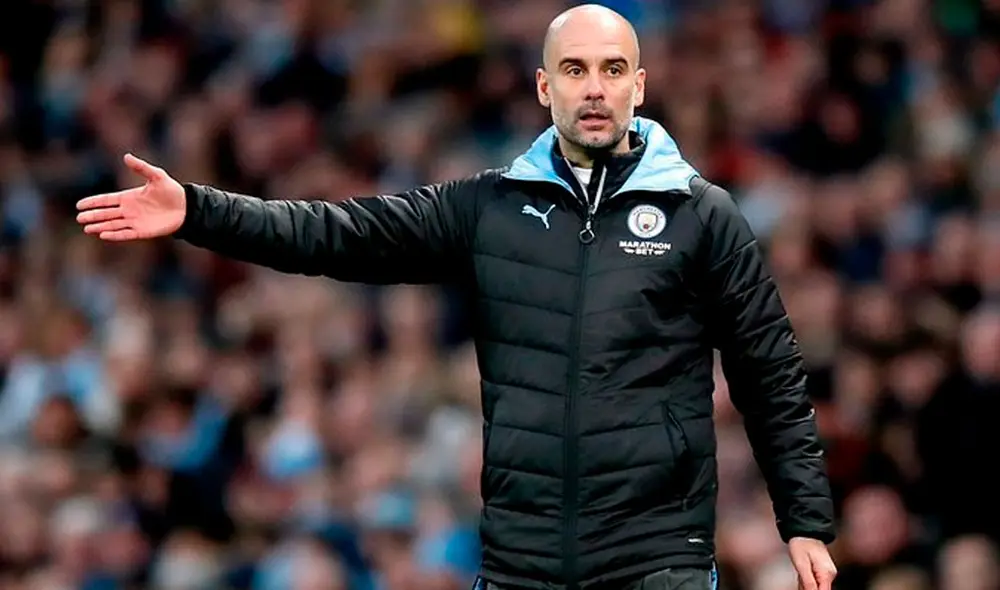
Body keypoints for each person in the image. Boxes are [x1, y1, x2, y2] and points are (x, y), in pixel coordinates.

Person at [75, 4, 838, 590]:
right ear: (545, 87)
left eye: (612, 69)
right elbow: (336, 233)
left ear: (639, 84)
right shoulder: (487, 209)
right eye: (574, 70)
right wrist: (200, 211)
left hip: (657, 560)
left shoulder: (703, 217)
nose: (595, 88)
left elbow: (770, 375)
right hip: (521, 559)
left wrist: (803, 521)